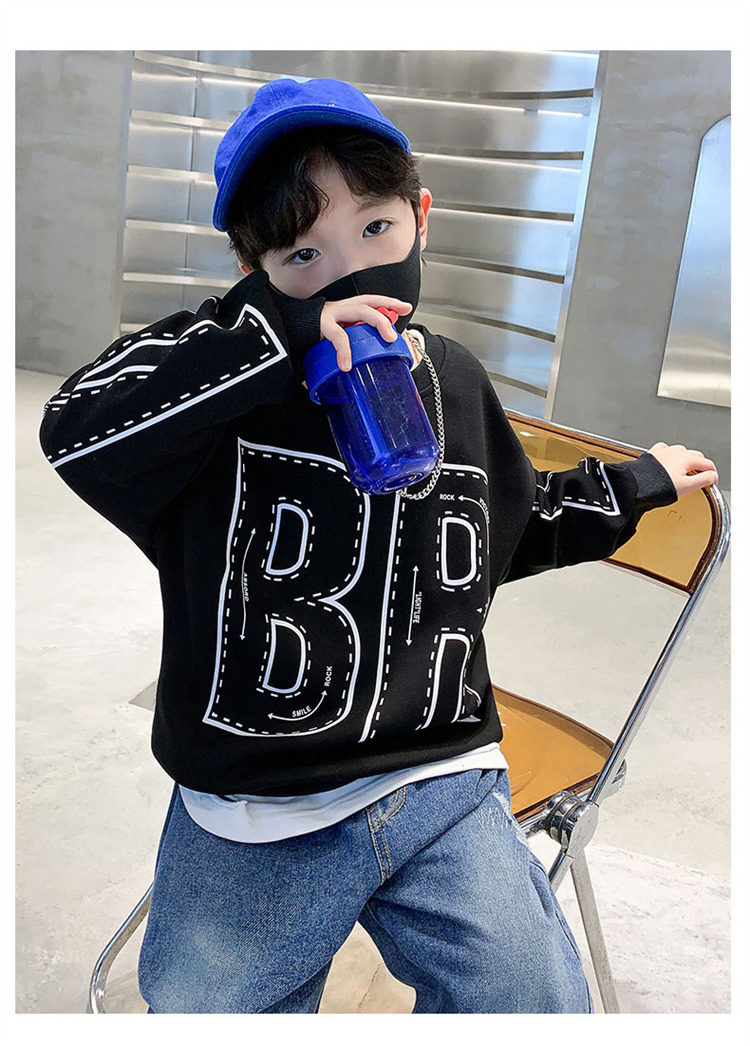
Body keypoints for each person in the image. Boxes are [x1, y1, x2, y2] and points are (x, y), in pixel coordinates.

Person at [39, 77, 719, 1015]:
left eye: (375, 229)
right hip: (260, 806)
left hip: (442, 773)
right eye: (302, 254)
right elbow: (76, 426)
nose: (350, 276)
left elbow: (509, 527)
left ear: (421, 219)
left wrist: (634, 484)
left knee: (534, 1002)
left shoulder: (455, 379)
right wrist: (271, 337)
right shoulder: (216, 404)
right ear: (253, 269)